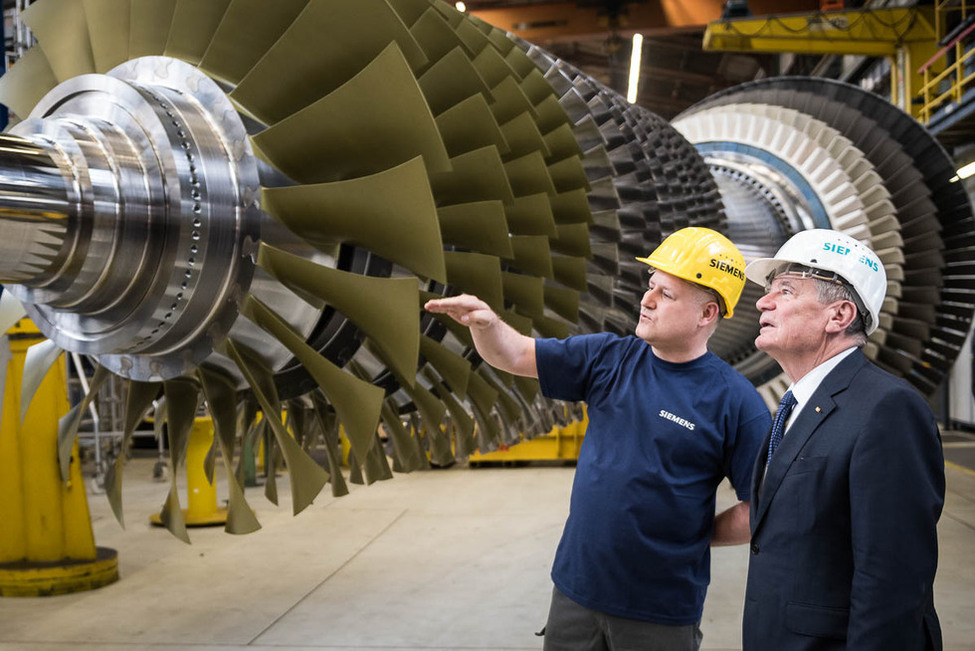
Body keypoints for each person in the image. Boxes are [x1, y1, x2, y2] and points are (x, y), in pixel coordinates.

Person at [425, 227, 770, 651]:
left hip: (659, 611)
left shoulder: (736, 403)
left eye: (667, 294)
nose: (647, 300)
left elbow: (762, 511)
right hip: (575, 592)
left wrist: (692, 533)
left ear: (706, 314)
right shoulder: (610, 357)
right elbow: (514, 354)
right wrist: (487, 324)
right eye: (650, 286)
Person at [741, 229, 945, 650]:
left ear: (839, 316)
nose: (762, 301)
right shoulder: (796, 404)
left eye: (785, 290)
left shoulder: (888, 410)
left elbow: (894, 582)